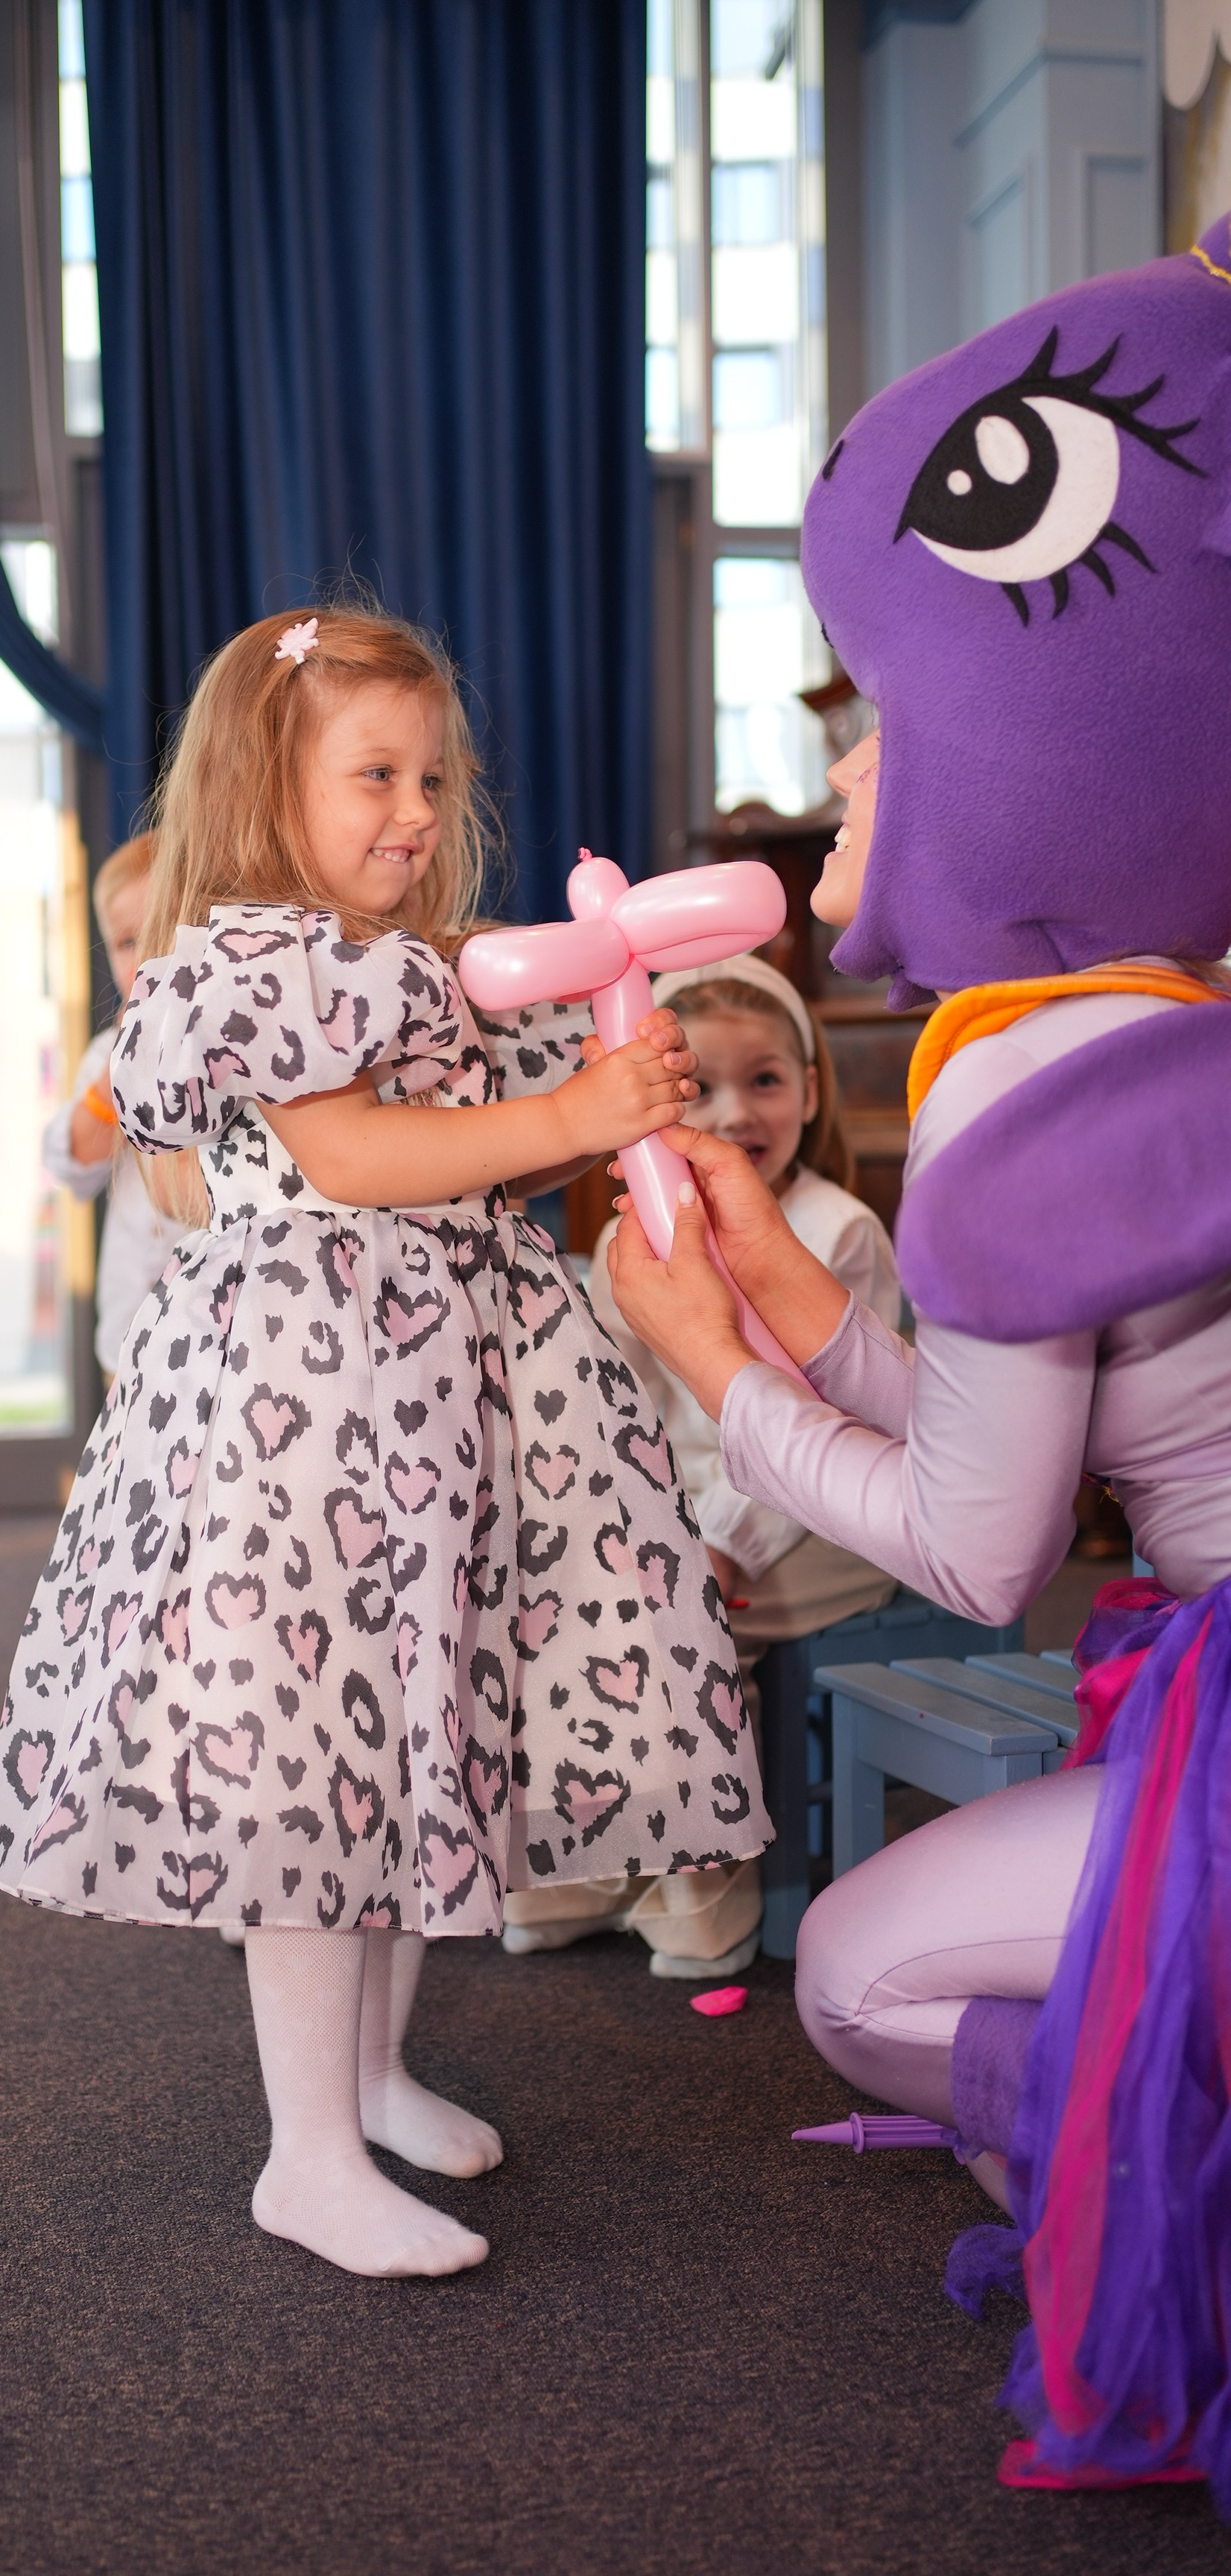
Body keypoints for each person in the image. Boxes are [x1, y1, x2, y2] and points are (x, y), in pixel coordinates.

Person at [603, 218, 1231, 2499]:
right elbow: (998, 1400)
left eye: (879, 718)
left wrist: (711, 1353)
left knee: (852, 1971)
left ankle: (1166, 2162)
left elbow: (972, 1549)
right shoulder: (1122, 1024)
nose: (841, 775)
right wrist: (767, 1262)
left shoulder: (1015, 1082)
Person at [0, 603, 766, 2280]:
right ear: (271, 787)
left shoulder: (425, 963)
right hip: (305, 1423)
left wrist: (607, 1096)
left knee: (419, 1742)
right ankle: (303, 2154)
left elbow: (475, 1159)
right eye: (376, 774)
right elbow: (346, 1157)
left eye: (434, 773)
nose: (416, 807)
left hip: (436, 1402)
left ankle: (377, 2078)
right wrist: (561, 1119)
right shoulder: (253, 964)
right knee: (314, 1779)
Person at [501, 954, 899, 1974]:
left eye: (765, 1080)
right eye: (698, 1084)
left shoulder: (833, 1230)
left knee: (685, 1618)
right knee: (563, 1603)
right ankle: (593, 1856)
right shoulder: (652, 1219)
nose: (733, 1110)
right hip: (683, 1512)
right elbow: (607, 1395)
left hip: (815, 1517)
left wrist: (717, 1541)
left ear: (811, 1095)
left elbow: (812, 1419)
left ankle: (700, 1891)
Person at [43, 832, 178, 1386]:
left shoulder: (236, 1044)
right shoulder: (107, 1054)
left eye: (163, 930)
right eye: (127, 943)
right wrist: (120, 1070)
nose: (147, 957)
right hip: (127, 1339)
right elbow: (73, 1160)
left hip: (216, 1330)